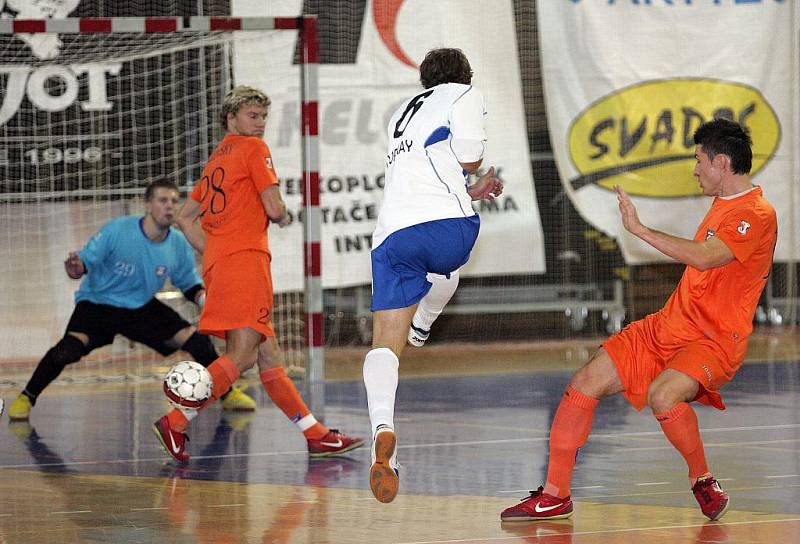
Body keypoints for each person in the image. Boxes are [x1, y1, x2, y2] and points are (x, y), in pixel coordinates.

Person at [500, 118, 777, 522]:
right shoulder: (724, 204)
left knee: (663, 396)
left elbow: (705, 256)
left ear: (721, 162)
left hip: (713, 340)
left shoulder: (757, 213)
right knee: (583, 384)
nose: (695, 169)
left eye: (699, 160)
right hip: (668, 325)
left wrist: (638, 229)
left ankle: (703, 480)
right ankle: (555, 495)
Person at [152, 85, 363, 463]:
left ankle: (316, 435)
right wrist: (281, 214)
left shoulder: (217, 158)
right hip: (246, 262)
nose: (260, 123)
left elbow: (185, 217)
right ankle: (176, 420)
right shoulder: (253, 149)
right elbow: (274, 205)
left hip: (223, 264)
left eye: (263, 116)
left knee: (268, 356)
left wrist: (217, 250)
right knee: (243, 354)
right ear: (230, 119)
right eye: (252, 116)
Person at [363, 48, 504, 503]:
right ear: (465, 76)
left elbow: (427, 169)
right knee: (445, 262)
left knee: (384, 344)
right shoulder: (464, 93)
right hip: (446, 228)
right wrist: (476, 178)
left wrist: (467, 188)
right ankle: (424, 323)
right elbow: (466, 155)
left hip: (391, 235)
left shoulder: (404, 111)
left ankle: (382, 429)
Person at [6, 179, 257, 422]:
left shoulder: (178, 244)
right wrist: (76, 267)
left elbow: (188, 283)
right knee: (66, 352)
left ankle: (228, 394)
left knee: (198, 341)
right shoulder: (117, 230)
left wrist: (205, 299)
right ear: (147, 205)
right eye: (162, 200)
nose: (169, 206)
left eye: (174, 200)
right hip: (98, 305)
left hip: (140, 307)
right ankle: (26, 398)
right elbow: (83, 263)